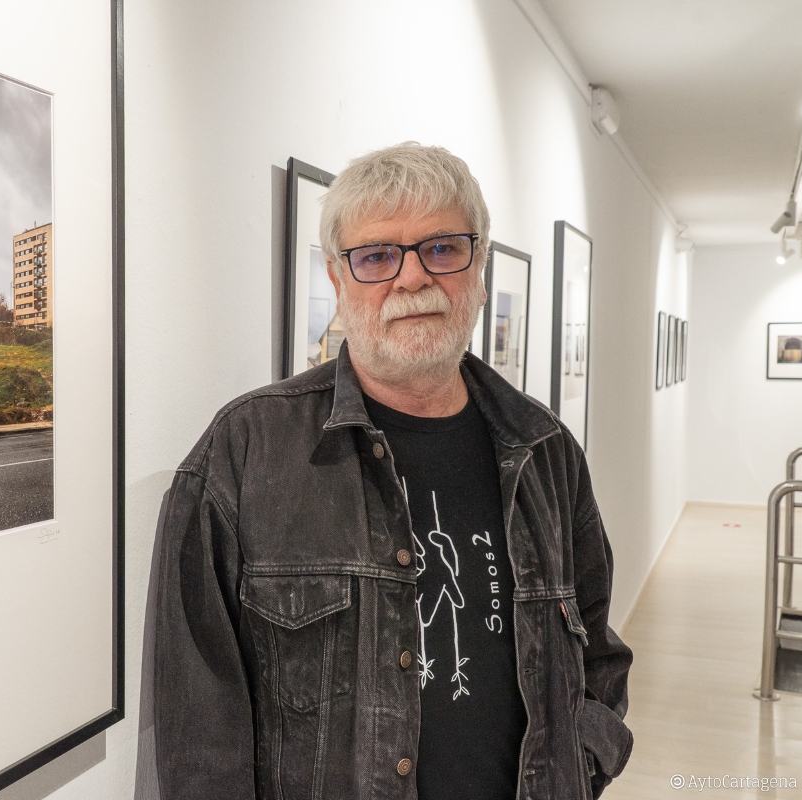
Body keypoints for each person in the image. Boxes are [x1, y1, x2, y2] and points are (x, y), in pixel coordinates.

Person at [152, 141, 633, 800]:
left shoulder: (544, 448)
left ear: (480, 265)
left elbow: (596, 653)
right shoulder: (245, 453)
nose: (412, 279)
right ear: (337, 280)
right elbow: (198, 731)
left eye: (441, 248)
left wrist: (581, 764)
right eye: (377, 256)